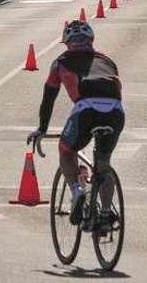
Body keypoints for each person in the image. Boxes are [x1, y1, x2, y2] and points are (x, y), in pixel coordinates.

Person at [27, 20, 125, 228]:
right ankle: (106, 215)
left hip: (86, 110)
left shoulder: (60, 62)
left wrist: (42, 129)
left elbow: (48, 99)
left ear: (66, 42)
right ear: (91, 40)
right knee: (103, 164)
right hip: (115, 112)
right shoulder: (107, 61)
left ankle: (77, 191)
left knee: (66, 150)